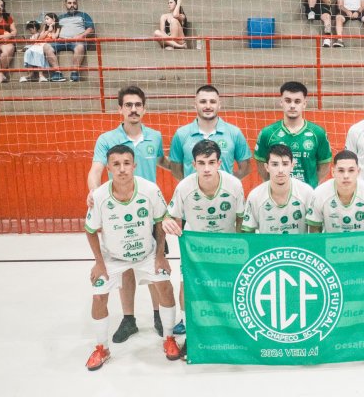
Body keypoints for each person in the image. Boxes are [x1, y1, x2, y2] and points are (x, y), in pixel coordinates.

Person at [84, 145, 180, 371]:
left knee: (165, 286)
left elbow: (159, 221)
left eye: (127, 163)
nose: (122, 169)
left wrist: (160, 256)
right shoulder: (99, 196)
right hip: (113, 259)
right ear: (108, 168)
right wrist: (99, 262)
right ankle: (102, 347)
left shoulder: (150, 189)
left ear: (134, 166)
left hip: (147, 254)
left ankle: (169, 338)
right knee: (98, 297)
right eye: (116, 164)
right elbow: (89, 229)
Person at [87, 86, 170, 344]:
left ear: (144, 108)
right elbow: (96, 169)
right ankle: (129, 318)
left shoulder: (154, 136)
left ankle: (159, 315)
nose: (133, 109)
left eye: (138, 104)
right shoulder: (107, 139)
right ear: (120, 109)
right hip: (120, 211)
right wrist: (94, 194)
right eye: (128, 105)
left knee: (157, 265)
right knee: (125, 269)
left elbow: (165, 163)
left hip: (149, 213)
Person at [161, 140, 244, 360]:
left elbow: (240, 219)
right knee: (186, 290)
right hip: (195, 251)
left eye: (211, 162)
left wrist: (238, 248)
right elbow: (170, 216)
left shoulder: (234, 185)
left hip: (226, 249)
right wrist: (166, 223)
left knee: (229, 291)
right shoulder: (184, 187)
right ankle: (192, 336)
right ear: (193, 164)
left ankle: (230, 334)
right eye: (201, 163)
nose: (206, 168)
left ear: (219, 163)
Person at [255, 81, 333, 187]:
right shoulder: (267, 133)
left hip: (308, 195)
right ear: (281, 102)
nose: (292, 106)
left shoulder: (318, 133)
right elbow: (261, 164)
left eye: (297, 101)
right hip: (278, 194)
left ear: (304, 104)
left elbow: (324, 165)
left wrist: (311, 184)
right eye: (288, 101)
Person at [170, 85, 251, 181]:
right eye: (203, 102)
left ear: (219, 105)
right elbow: (175, 170)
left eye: (212, 102)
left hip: (224, 195)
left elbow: (245, 169)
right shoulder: (181, 134)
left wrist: (227, 183)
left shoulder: (234, 133)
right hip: (193, 195)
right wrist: (191, 186)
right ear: (195, 105)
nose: (208, 106)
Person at [306, 149, 364, 233]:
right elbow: (314, 229)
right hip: (331, 244)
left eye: (351, 170)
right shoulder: (319, 193)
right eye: (341, 171)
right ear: (333, 172)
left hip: (362, 245)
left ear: (358, 172)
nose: (346, 176)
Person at [242, 144, 315, 234]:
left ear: (292, 166)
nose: (280, 170)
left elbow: (315, 231)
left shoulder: (307, 193)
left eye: (285, 164)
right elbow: (248, 234)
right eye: (275, 164)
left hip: (298, 247)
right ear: (266, 167)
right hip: (268, 248)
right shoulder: (255, 196)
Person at [44, 0, 95, 82]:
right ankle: (57, 73)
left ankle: (75, 73)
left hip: (77, 41)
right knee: (46, 47)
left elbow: (91, 29)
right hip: (61, 41)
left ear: (77, 4)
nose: (72, 5)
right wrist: (56, 36)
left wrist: (80, 36)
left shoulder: (84, 15)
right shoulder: (60, 17)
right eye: (69, 3)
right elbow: (53, 29)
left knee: (80, 47)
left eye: (74, 3)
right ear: (65, 5)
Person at [20, 18, 55, 83]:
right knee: (28, 52)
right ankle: (30, 74)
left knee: (37, 52)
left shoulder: (38, 34)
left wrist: (48, 30)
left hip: (39, 47)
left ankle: (40, 75)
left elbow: (38, 40)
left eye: (31, 29)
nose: (30, 31)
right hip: (32, 48)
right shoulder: (32, 35)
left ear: (34, 28)